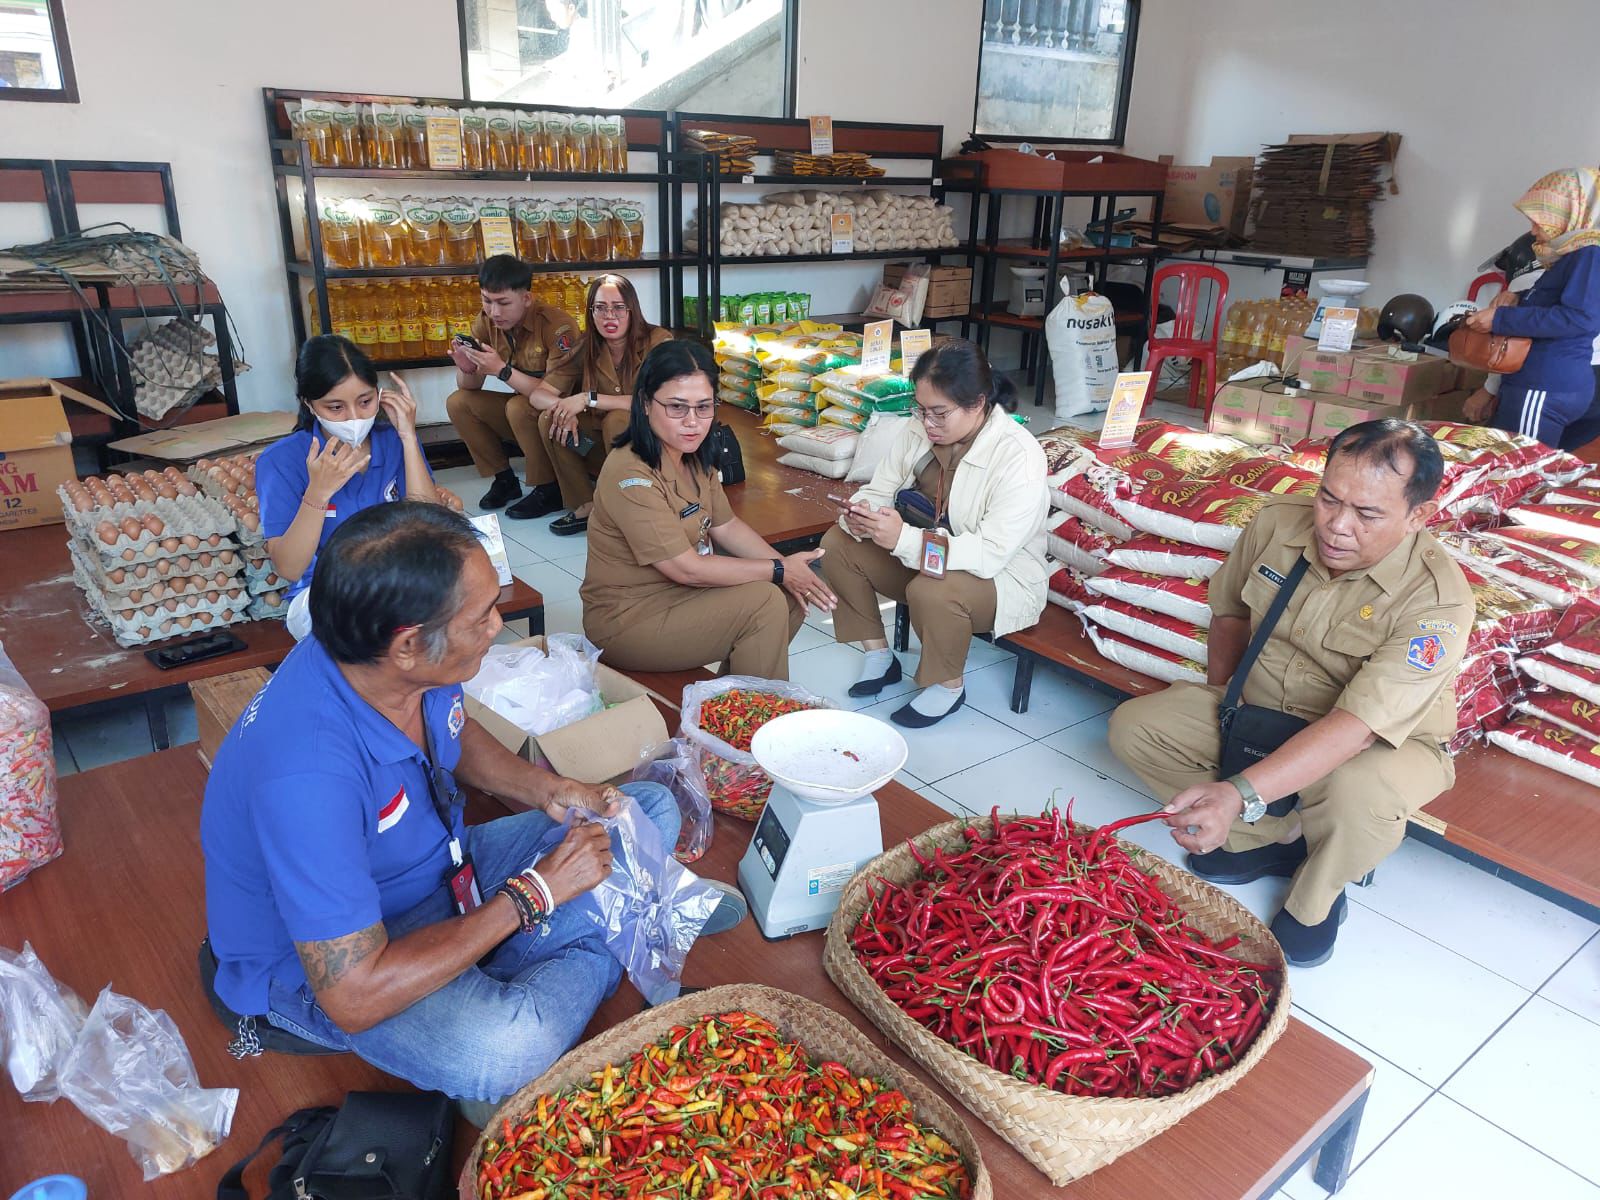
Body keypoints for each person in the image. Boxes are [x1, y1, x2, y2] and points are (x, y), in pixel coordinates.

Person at [201, 502, 745, 1114]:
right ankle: (619, 924)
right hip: (340, 965)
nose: (497, 625)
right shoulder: (307, 776)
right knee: (507, 1048)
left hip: (439, 869)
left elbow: (454, 734)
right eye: (482, 617)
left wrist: (548, 789)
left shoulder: (386, 660)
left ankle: (581, 930)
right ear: (408, 644)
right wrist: (534, 894)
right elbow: (352, 994)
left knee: (644, 806)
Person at [1107, 420, 1474, 968]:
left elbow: (1356, 726)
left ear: (1419, 515)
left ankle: (1316, 896)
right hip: (1270, 709)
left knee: (1361, 792)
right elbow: (1229, 612)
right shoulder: (1278, 526)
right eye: (1330, 498)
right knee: (1136, 728)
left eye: (1368, 514)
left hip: (1383, 742)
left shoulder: (1437, 600)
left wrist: (1236, 793)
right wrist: (1227, 709)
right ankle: (1272, 839)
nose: (1337, 526)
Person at [820, 339, 1049, 728]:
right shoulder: (917, 430)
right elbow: (881, 486)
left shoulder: (1018, 455)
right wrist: (863, 514)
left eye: (939, 413)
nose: (927, 423)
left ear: (977, 403)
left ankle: (948, 686)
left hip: (996, 578)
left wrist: (903, 541)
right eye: (921, 410)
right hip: (924, 554)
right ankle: (879, 656)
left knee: (930, 588)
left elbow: (990, 554)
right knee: (837, 545)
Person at [581, 340, 835, 680]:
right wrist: (778, 569)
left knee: (788, 595)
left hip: (683, 596)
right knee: (764, 601)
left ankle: (732, 701)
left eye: (703, 407)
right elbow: (687, 569)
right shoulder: (630, 473)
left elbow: (727, 527)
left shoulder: (692, 455)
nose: (693, 422)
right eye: (676, 407)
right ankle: (751, 717)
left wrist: (788, 568)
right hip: (628, 617)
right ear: (644, 403)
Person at [257, 335, 437, 641]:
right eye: (336, 407)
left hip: (400, 577)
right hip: (327, 591)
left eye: (365, 401)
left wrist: (408, 436)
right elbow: (288, 566)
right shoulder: (282, 460)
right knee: (375, 632)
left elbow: (429, 526)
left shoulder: (393, 440)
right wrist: (318, 493)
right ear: (308, 404)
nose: (354, 417)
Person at [1462, 168, 1600, 449]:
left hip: (1545, 383)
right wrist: (1518, 297)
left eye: (1539, 221)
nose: (1533, 230)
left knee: (1518, 472)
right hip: (1547, 380)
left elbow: (1580, 317)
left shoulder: (1590, 255)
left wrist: (1501, 318)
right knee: (1525, 471)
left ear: (1570, 213)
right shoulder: (1573, 254)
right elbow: (1561, 301)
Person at [528, 274, 675, 537]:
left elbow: (659, 401)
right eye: (600, 308)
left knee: (618, 419)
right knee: (551, 418)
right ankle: (588, 504)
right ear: (590, 312)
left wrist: (587, 398)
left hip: (654, 446)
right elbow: (539, 395)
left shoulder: (657, 340)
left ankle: (628, 507)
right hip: (601, 445)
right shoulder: (587, 346)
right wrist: (564, 408)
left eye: (618, 307)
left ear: (633, 310)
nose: (610, 316)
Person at [443, 254, 579, 517]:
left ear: (526, 298)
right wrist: (467, 367)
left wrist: (502, 371)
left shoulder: (557, 326)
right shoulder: (485, 322)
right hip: (528, 413)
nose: (494, 312)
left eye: (503, 303)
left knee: (519, 406)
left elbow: (553, 393)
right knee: (458, 402)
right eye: (487, 300)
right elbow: (469, 386)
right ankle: (504, 480)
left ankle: (548, 489)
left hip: (565, 414)